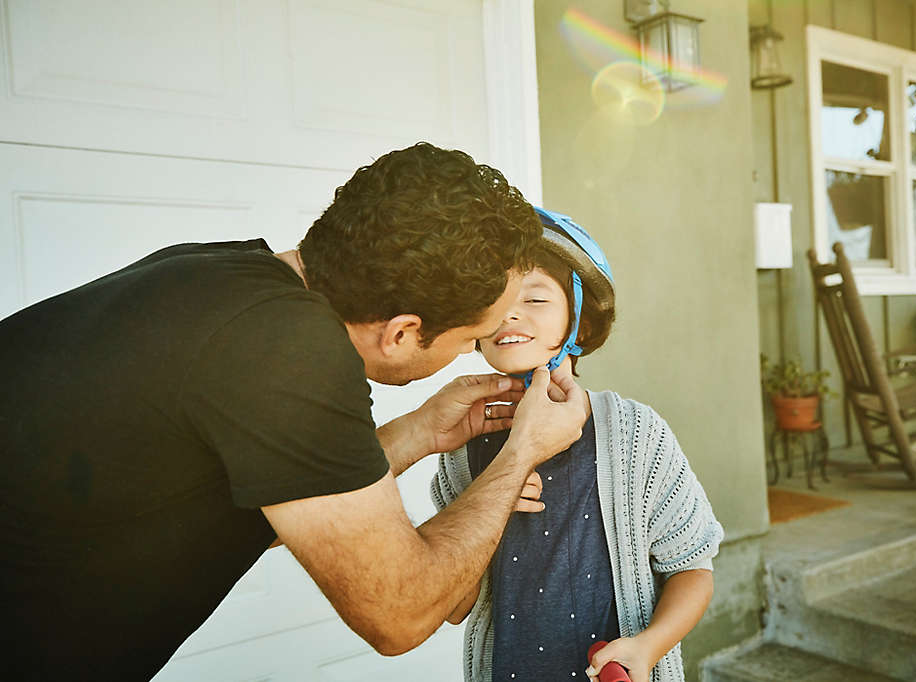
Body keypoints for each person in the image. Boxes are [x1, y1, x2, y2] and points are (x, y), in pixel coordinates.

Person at [0, 143, 588, 680]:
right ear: (403, 333)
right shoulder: (288, 355)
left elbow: (287, 504)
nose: (471, 353)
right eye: (469, 339)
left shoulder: (219, 276)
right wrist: (521, 455)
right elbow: (399, 614)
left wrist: (420, 432)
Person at [431, 208, 724, 682]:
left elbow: (692, 569)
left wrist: (648, 647)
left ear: (580, 326)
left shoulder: (635, 435)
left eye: (536, 298)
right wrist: (482, 506)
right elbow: (453, 606)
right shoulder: (464, 448)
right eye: (494, 298)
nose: (509, 312)